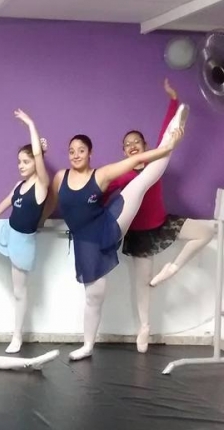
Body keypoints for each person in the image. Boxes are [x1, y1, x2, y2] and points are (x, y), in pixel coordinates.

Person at [52, 103, 187, 361]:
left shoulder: (100, 174)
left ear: (90, 153)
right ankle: (88, 346)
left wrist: (168, 147)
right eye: (71, 151)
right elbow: (50, 201)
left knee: (142, 180)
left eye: (81, 150)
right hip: (85, 241)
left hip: (108, 223)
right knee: (95, 295)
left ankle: (174, 128)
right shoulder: (61, 176)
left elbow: (135, 161)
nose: (76, 154)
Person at [104, 79, 214, 352]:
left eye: (136, 142)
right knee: (142, 286)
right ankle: (145, 328)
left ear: (145, 145)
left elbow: (168, 134)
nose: (131, 146)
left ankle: (173, 267)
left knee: (207, 231)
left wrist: (174, 102)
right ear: (124, 151)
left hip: (161, 223)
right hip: (140, 235)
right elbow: (104, 195)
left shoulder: (156, 162)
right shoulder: (123, 174)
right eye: (126, 144)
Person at [0, 109, 49, 353]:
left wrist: (30, 123)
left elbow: (39, 154)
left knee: (19, 292)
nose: (21, 165)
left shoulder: (41, 186)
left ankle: (17, 336)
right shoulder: (20, 185)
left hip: (24, 243)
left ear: (35, 163)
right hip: (7, 230)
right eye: (19, 161)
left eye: (26, 161)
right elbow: (0, 206)